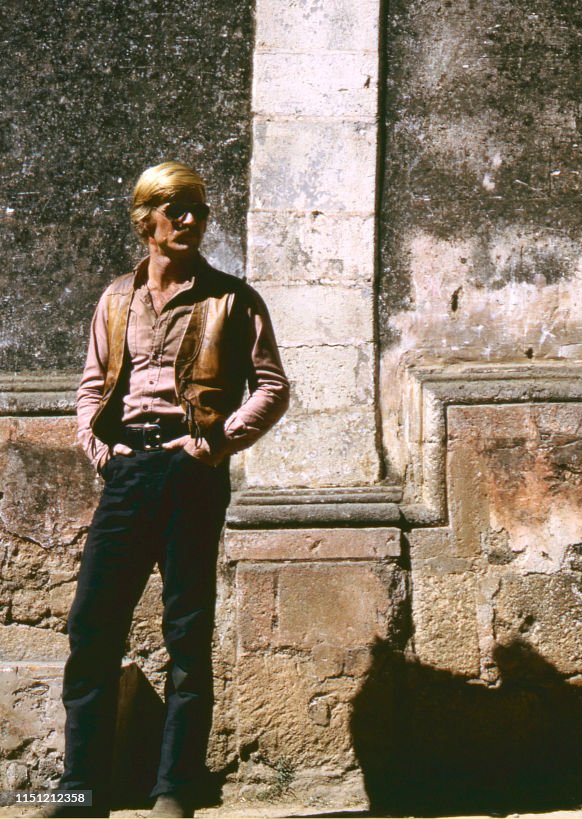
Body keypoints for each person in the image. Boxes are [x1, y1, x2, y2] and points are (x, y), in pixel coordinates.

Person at [52, 162, 289, 818]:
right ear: (145, 219)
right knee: (92, 628)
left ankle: (176, 788)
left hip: (192, 473)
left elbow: (271, 385)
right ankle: (81, 789)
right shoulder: (114, 300)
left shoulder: (233, 299)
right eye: (176, 208)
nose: (190, 219)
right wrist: (102, 450)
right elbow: (93, 385)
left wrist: (216, 442)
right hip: (128, 473)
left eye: (198, 210)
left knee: (187, 632)